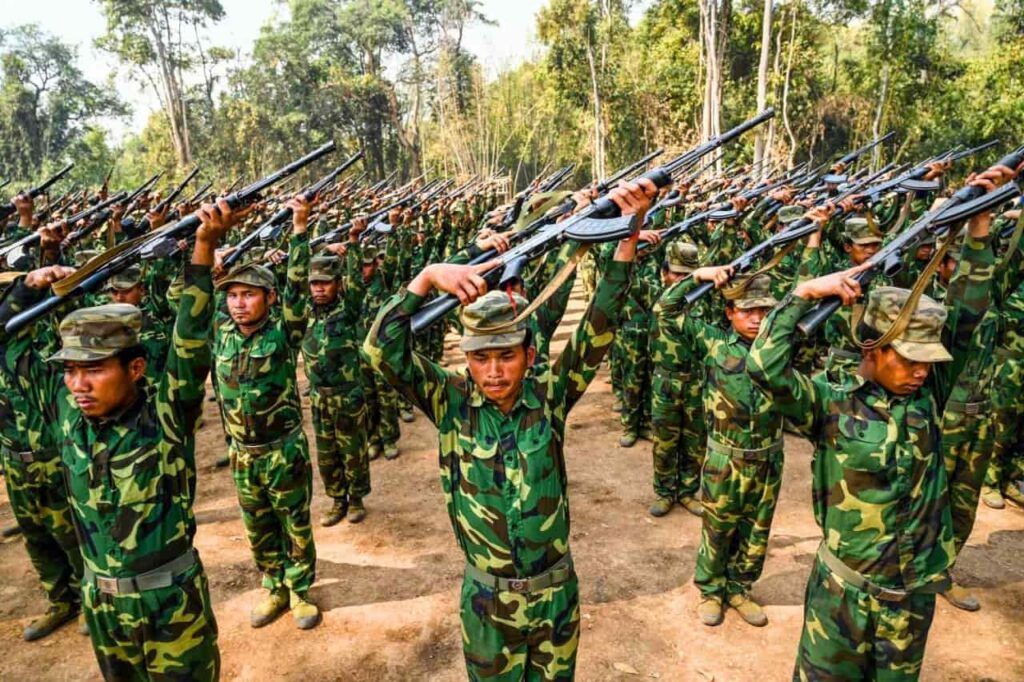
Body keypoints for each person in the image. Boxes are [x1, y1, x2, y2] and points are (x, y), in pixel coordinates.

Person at [363, 179, 655, 681]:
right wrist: (428, 277)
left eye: (506, 356)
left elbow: (599, 324)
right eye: (480, 358)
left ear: (529, 354)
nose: (494, 371)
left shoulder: (549, 394)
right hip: (487, 602)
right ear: (466, 359)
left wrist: (627, 238)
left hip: (554, 594)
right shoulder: (450, 400)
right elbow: (379, 350)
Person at [747, 170, 1003, 678]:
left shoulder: (929, 393)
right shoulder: (830, 403)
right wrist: (802, 293)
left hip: (910, 603)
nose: (921, 371)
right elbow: (765, 368)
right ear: (872, 347)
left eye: (928, 360)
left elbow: (969, 318)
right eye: (908, 359)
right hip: (842, 600)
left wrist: (978, 228)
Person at [0, 196, 244, 680]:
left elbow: (190, 342)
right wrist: (34, 281)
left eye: (93, 370)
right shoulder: (66, 415)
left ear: (135, 369)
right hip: (102, 605)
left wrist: (202, 249)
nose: (78, 385)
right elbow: (14, 335)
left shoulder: (165, 416)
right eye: (69, 372)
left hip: (170, 605)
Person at [213, 193, 321, 630]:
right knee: (257, 525)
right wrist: (206, 254)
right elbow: (184, 300)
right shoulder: (219, 334)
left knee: (294, 522)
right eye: (233, 295)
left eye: (249, 295)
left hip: (282, 451)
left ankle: (299, 590)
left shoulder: (282, 332)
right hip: (243, 453)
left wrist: (299, 229)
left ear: (269, 299)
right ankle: (273, 585)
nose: (239, 303)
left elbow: (298, 291)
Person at [302, 221, 371, 526]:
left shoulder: (348, 309)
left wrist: (353, 243)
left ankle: (356, 499)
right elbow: (286, 273)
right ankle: (336, 499)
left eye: (326, 283)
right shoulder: (302, 314)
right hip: (319, 398)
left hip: (348, 395)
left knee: (352, 450)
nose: (319, 288)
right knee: (327, 453)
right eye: (314, 283)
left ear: (337, 284)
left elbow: (356, 282)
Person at [648, 240, 706, 517]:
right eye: (677, 274)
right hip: (666, 382)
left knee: (696, 442)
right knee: (665, 442)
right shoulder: (660, 300)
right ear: (665, 273)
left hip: (697, 381)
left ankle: (687, 491)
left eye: (688, 274)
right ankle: (664, 492)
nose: (682, 280)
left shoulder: (703, 303)